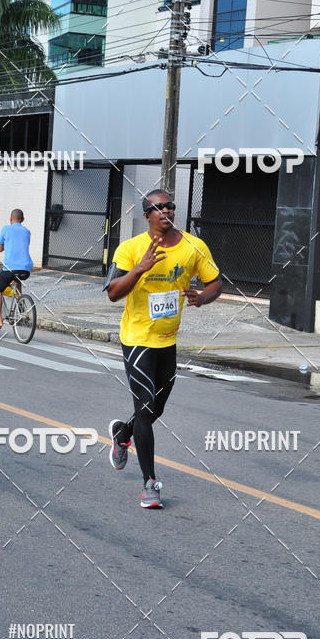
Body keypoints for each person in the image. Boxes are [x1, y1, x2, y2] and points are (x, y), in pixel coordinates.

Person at [105, 189, 223, 508]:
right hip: (137, 339)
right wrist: (140, 268)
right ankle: (150, 484)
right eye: (159, 208)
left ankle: (123, 433)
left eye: (170, 205)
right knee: (145, 407)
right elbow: (113, 292)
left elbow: (215, 282)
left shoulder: (193, 247)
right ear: (147, 216)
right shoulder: (131, 249)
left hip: (167, 341)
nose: (166, 210)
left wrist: (203, 296)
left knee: (155, 410)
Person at [0, 208, 33, 329]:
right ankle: (21, 310)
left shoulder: (6, 228)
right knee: (16, 282)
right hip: (25, 269)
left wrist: (4, 246)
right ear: (23, 219)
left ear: (10, 219)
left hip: (10, 267)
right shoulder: (27, 231)